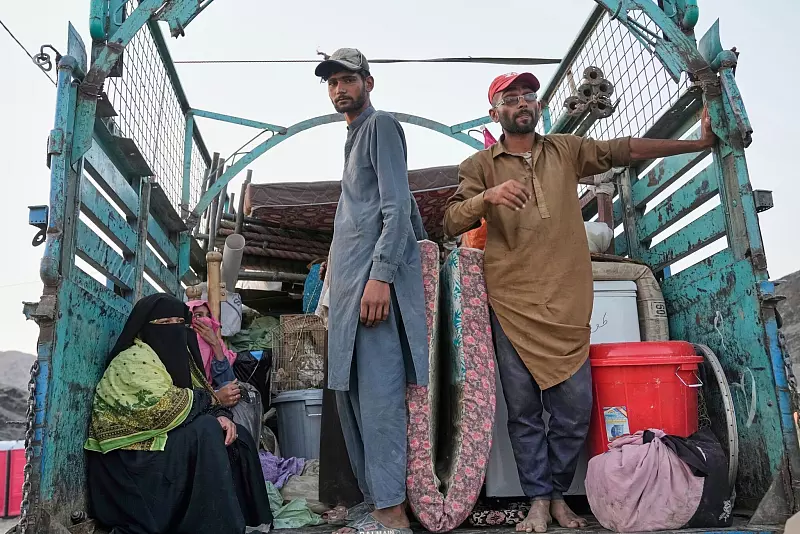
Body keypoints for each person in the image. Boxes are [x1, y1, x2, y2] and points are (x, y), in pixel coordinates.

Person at [443, 72, 716, 533]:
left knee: (574, 411)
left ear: (536, 105)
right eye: (510, 98)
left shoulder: (565, 150)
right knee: (524, 413)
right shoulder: (478, 165)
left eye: (529, 95)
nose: (522, 103)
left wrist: (696, 144)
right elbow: (451, 220)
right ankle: (539, 501)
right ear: (495, 113)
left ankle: (554, 495)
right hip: (511, 304)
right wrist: (487, 197)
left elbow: (624, 149)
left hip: (568, 300)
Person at [314, 48, 429, 534]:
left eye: (348, 79)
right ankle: (375, 502)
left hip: (371, 292)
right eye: (332, 82)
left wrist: (380, 276)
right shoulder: (353, 138)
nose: (340, 88)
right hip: (347, 297)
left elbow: (396, 208)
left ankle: (392, 512)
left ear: (369, 82)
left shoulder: (380, 127)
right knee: (353, 399)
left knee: (380, 401)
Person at [84, 294, 273, 534]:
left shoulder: (178, 358)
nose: (174, 330)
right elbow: (163, 408)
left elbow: (199, 392)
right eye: (165, 323)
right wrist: (212, 403)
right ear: (144, 328)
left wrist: (221, 414)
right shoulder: (131, 360)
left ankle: (250, 519)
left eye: (179, 323)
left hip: (161, 445)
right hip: (129, 462)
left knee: (236, 436)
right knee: (206, 430)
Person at [188, 300, 241, 406]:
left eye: (208, 316)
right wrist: (215, 398)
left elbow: (228, 381)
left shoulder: (217, 342)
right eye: (198, 315)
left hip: (215, 397)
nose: (206, 320)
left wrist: (215, 344)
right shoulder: (182, 343)